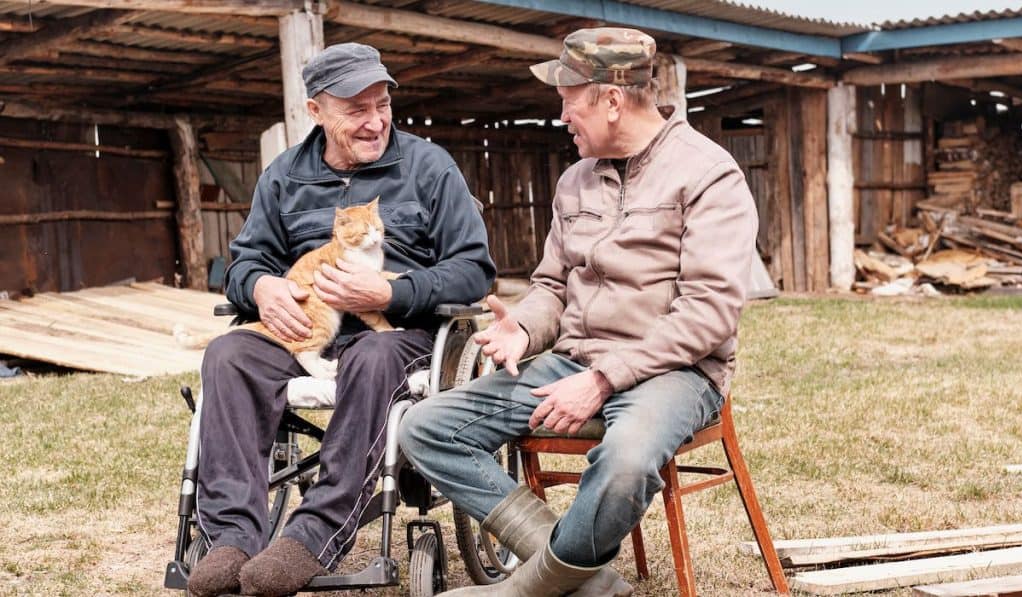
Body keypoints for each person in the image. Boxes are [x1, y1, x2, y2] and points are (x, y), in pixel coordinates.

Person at [399, 27, 757, 596]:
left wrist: (603, 379)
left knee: (625, 463)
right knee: (425, 428)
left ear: (612, 100)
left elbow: (708, 314)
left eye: (569, 99)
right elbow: (552, 286)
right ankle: (585, 583)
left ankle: (527, 589)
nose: (561, 114)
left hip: (676, 373)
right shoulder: (575, 181)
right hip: (573, 364)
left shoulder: (709, 174)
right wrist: (526, 327)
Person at [186, 43, 495, 597]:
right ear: (317, 111)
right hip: (307, 330)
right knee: (228, 355)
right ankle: (231, 537)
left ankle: (312, 535)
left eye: (382, 104)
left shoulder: (428, 168)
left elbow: (475, 271)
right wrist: (260, 286)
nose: (375, 121)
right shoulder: (284, 177)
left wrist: (393, 291)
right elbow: (245, 262)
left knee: (371, 356)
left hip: (398, 335)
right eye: (356, 110)